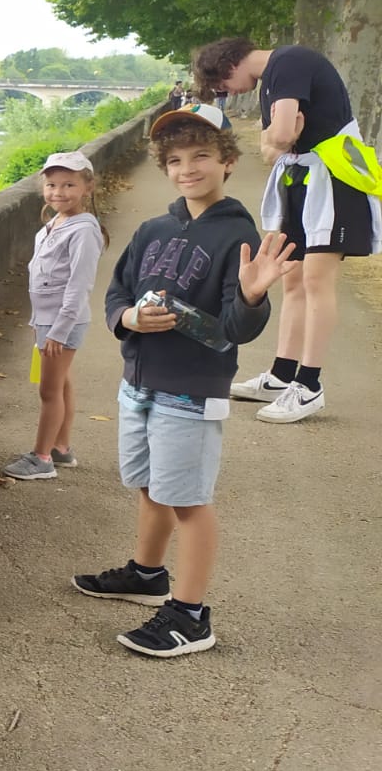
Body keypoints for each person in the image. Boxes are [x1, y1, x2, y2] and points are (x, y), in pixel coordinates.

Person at [73, 104, 295, 657]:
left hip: (190, 393)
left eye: (201, 156)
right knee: (150, 485)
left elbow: (237, 329)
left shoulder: (238, 235)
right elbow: (118, 292)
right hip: (138, 383)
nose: (187, 168)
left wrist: (252, 294)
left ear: (228, 161)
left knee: (188, 501)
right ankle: (148, 574)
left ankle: (191, 615)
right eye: (174, 160)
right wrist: (128, 318)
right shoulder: (153, 228)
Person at [194, 37, 380, 423]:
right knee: (291, 277)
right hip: (302, 181)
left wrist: (281, 136)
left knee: (316, 280)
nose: (227, 93)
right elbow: (271, 146)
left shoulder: (289, 62)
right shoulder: (273, 80)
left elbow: (278, 138)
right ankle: (281, 376)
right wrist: (280, 136)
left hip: (334, 181)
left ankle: (309, 385)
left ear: (228, 65)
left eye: (221, 86)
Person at [3, 151, 109, 480]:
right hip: (48, 320)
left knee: (49, 392)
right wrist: (41, 322)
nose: (58, 192)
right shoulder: (56, 222)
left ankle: (42, 458)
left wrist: (58, 331)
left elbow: (79, 285)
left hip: (62, 322)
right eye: (51, 185)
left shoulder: (84, 230)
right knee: (61, 384)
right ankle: (60, 447)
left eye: (68, 185)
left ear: (88, 187)